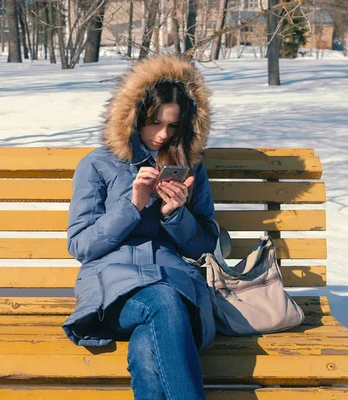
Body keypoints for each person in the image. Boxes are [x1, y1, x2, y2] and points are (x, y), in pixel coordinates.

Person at [62, 54, 219, 400]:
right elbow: (81, 245)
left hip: (176, 287)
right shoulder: (98, 165)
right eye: (154, 123)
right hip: (112, 294)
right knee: (161, 301)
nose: (163, 135)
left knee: (148, 349)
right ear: (134, 117)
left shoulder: (190, 167)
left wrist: (175, 213)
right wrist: (132, 206)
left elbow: (205, 245)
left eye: (173, 126)